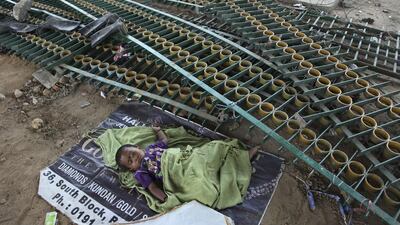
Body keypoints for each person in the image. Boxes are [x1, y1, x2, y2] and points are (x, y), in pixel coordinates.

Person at [115, 126, 259, 203]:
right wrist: (166, 199)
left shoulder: (151, 148)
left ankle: (243, 156)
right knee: (202, 183)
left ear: (138, 147)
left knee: (215, 148)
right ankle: (238, 164)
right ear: (131, 169)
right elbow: (152, 188)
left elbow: (165, 142)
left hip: (184, 159)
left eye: (133, 153)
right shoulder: (141, 173)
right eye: (130, 161)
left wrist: (158, 131)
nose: (134, 158)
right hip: (176, 174)